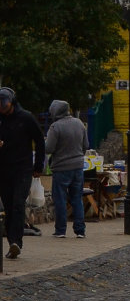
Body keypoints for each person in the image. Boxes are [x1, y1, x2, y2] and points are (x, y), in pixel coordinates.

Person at [0, 86, 46, 260]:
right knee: (9, 206)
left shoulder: (26, 118)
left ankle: (16, 243)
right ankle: (12, 241)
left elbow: (39, 141)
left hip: (23, 169)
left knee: (18, 204)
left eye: (4, 104)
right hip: (4, 169)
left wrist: (38, 167)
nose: (1, 107)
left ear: (12, 102)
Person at [44, 99, 89, 239]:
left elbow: (48, 148)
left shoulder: (55, 127)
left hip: (61, 168)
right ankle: (80, 230)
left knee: (60, 199)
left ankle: (61, 230)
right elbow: (85, 145)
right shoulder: (79, 123)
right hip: (78, 167)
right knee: (77, 198)